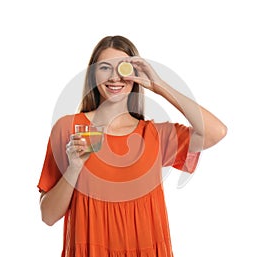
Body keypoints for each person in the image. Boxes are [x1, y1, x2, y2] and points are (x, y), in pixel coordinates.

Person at [37, 35, 227, 257]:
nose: (115, 77)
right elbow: (48, 216)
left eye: (123, 68)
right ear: (92, 75)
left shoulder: (154, 135)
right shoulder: (70, 128)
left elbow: (216, 132)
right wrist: (74, 167)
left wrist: (160, 86)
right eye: (105, 68)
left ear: (135, 74)